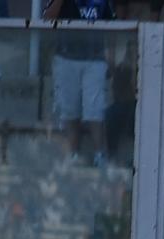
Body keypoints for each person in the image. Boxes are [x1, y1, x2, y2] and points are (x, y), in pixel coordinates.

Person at [44, 0, 119, 168]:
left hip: (95, 60)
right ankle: (72, 154)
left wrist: (111, 57)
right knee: (69, 108)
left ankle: (100, 155)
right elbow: (47, 18)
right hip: (65, 58)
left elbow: (112, 25)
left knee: (95, 108)